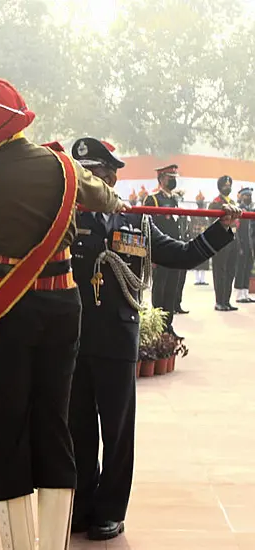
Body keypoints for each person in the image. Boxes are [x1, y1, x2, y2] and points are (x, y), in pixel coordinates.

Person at [0, 76, 124, 550]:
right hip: (63, 307)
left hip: (7, 311)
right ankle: (54, 543)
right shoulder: (65, 168)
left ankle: (19, 545)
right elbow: (109, 199)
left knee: (6, 424)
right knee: (54, 419)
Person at [67, 138, 239, 541]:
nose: (94, 182)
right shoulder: (67, 220)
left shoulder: (136, 222)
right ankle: (81, 507)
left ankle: (109, 511)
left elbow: (182, 254)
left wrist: (222, 229)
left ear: (112, 178)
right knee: (77, 430)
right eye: (86, 176)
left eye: (100, 175)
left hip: (116, 341)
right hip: (73, 340)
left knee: (118, 431)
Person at [143, 165, 185, 336]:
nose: (173, 180)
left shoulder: (175, 200)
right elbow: (147, 227)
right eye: (169, 177)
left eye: (174, 176)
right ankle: (158, 326)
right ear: (161, 179)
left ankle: (168, 326)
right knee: (160, 288)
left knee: (172, 289)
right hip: (161, 251)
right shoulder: (152, 200)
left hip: (175, 249)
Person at [210, 176, 240, 311]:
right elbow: (211, 220)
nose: (228, 187)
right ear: (220, 187)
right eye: (225, 185)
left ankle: (226, 301)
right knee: (220, 271)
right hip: (220, 240)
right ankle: (219, 301)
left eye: (229, 185)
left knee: (230, 271)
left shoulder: (233, 202)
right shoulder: (215, 203)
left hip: (233, 240)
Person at [233, 187, 254, 303]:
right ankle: (239, 294)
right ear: (241, 197)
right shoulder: (239, 210)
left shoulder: (251, 209)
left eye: (250, 195)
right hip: (242, 243)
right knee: (241, 268)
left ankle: (245, 292)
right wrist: (239, 245)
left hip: (250, 244)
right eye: (246, 195)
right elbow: (237, 229)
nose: (249, 198)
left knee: (248, 267)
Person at [191, 191, 211, 285]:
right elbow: (191, 227)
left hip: (204, 238)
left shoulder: (205, 214)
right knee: (196, 258)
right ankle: (197, 278)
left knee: (204, 259)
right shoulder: (193, 214)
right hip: (196, 237)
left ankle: (202, 279)